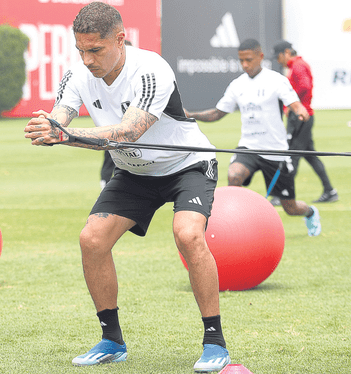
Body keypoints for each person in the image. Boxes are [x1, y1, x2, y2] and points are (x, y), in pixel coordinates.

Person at [24, 3, 230, 372]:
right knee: (93, 239)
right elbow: (60, 119)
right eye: (81, 50)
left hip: (187, 165)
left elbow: (126, 132)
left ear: (120, 39)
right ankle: (111, 340)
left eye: (95, 50)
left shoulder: (152, 70)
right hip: (134, 173)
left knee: (187, 235)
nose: (87, 59)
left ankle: (214, 342)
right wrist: (48, 129)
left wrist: (62, 135)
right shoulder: (77, 74)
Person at [186, 39, 322, 237]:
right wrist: (191, 115)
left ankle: (310, 213)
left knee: (290, 207)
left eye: (249, 60)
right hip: (248, 147)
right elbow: (218, 113)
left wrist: (300, 110)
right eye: (241, 61)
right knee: (234, 175)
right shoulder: (237, 85)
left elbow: (294, 103)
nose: (245, 65)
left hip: (276, 151)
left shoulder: (276, 80)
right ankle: (238, 225)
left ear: (260, 57)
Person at [273, 40, 338, 204]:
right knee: (310, 156)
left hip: (301, 117)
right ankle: (329, 190)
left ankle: (283, 194)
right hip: (303, 116)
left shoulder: (298, 66)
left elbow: (305, 86)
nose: (279, 60)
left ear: (286, 52)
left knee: (292, 156)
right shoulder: (297, 65)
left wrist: (292, 102)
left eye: (279, 56)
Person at [99, 41, 132, 189]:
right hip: (113, 127)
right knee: (110, 156)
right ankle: (105, 183)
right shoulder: (107, 78)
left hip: (130, 127)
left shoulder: (136, 77)